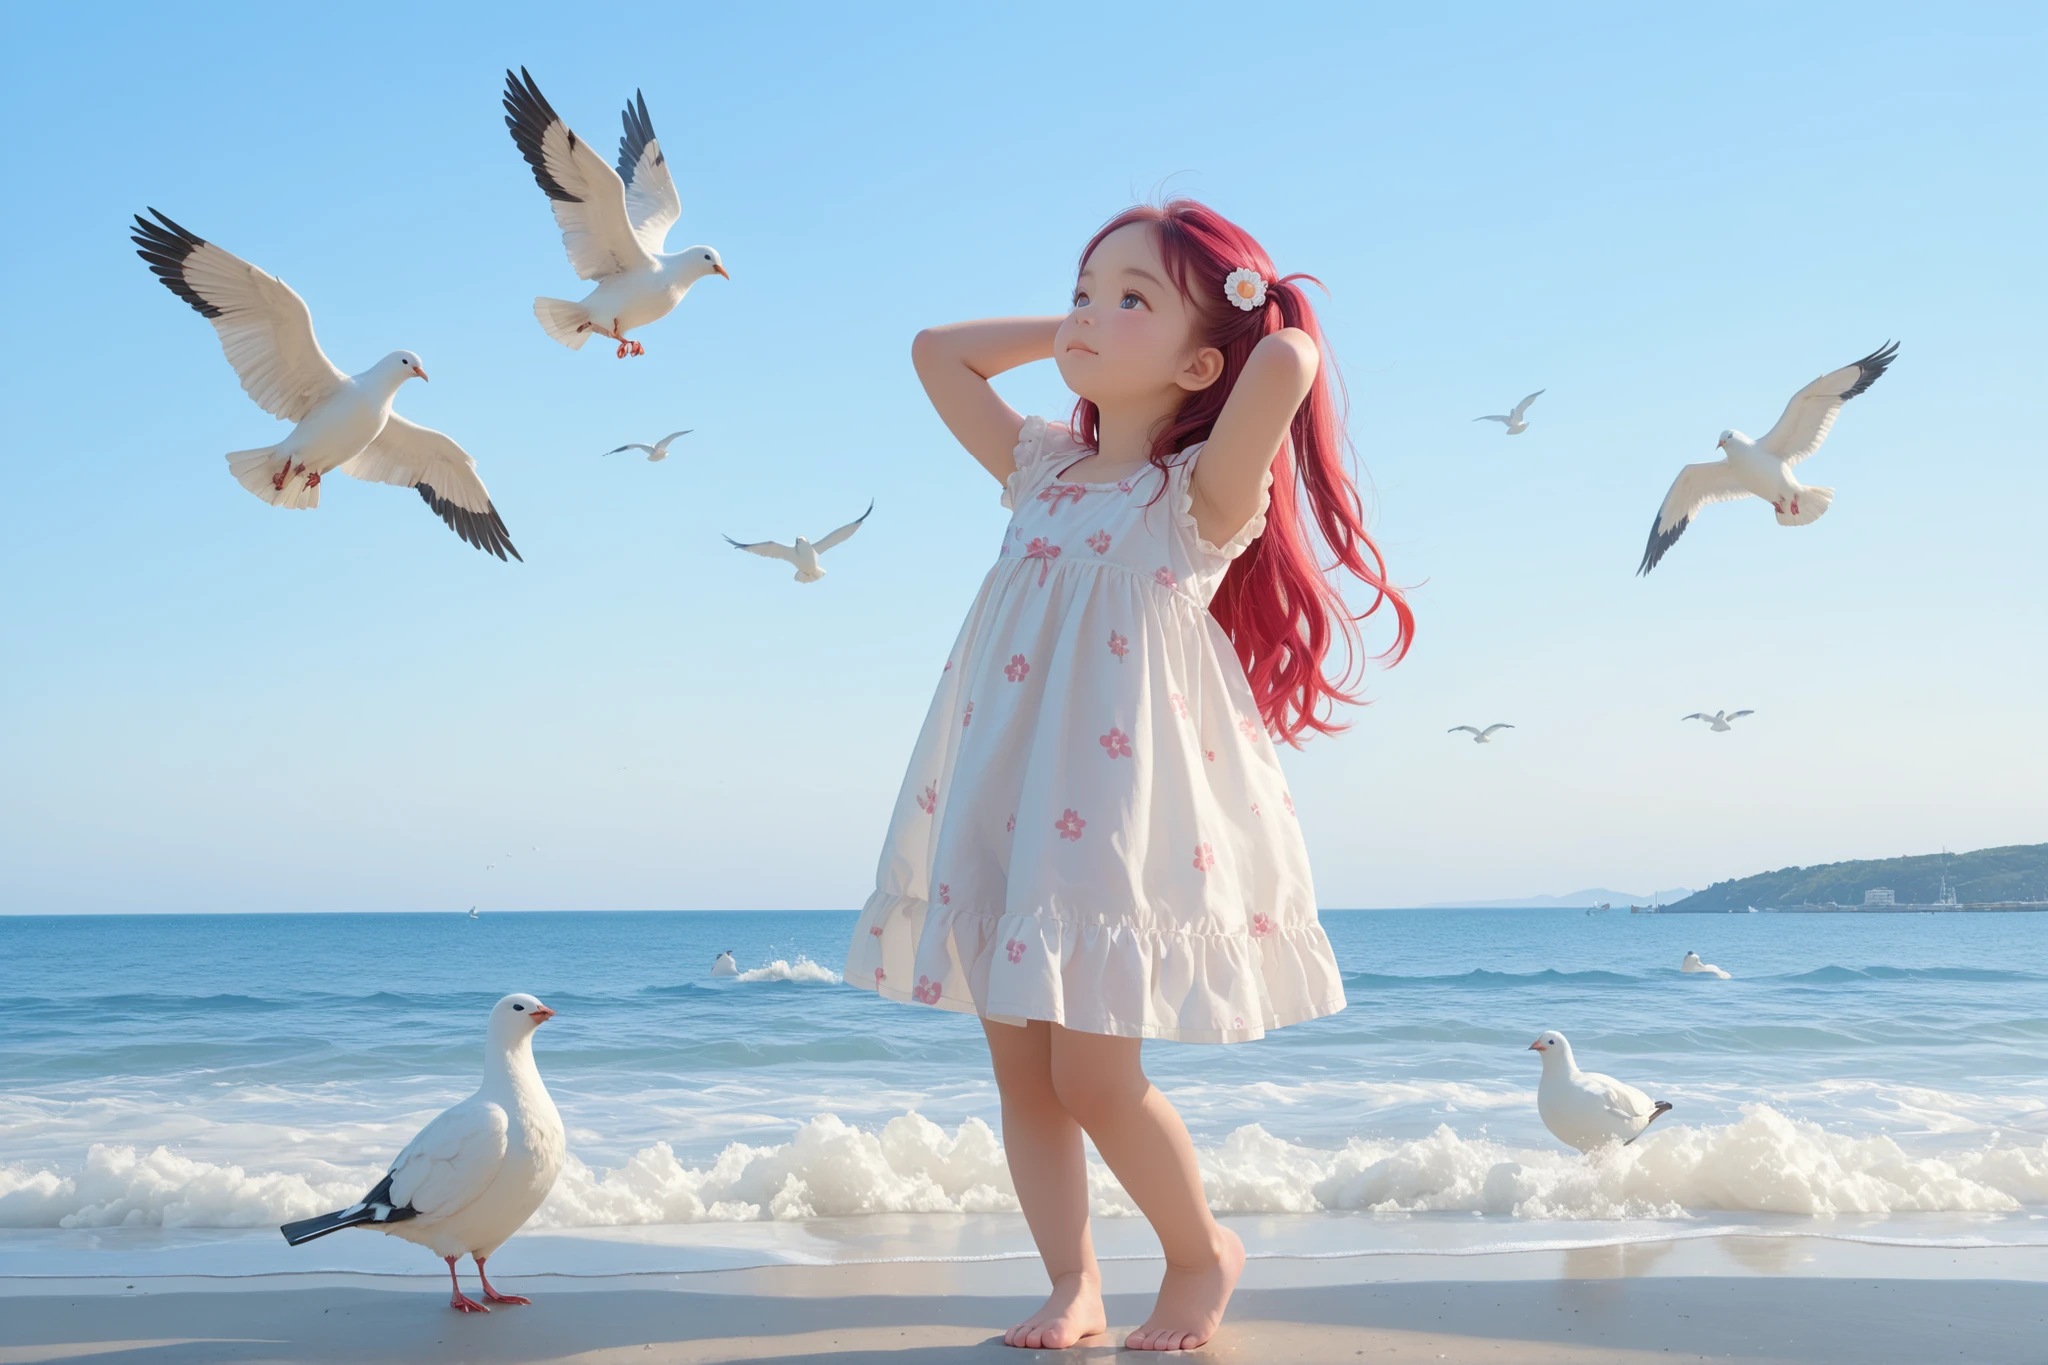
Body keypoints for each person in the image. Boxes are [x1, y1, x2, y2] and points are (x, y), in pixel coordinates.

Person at [843, 199, 1411, 1351]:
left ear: (1202, 359)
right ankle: (1071, 1282)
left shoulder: (1193, 498)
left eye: (1129, 300)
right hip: (1001, 789)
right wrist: (1082, 325)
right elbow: (934, 353)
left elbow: (1288, 362)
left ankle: (1203, 1255)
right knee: (1020, 1068)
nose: (1088, 317)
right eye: (1082, 290)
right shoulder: (1040, 468)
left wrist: (1264, 314)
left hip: (1107, 815)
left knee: (1095, 1074)